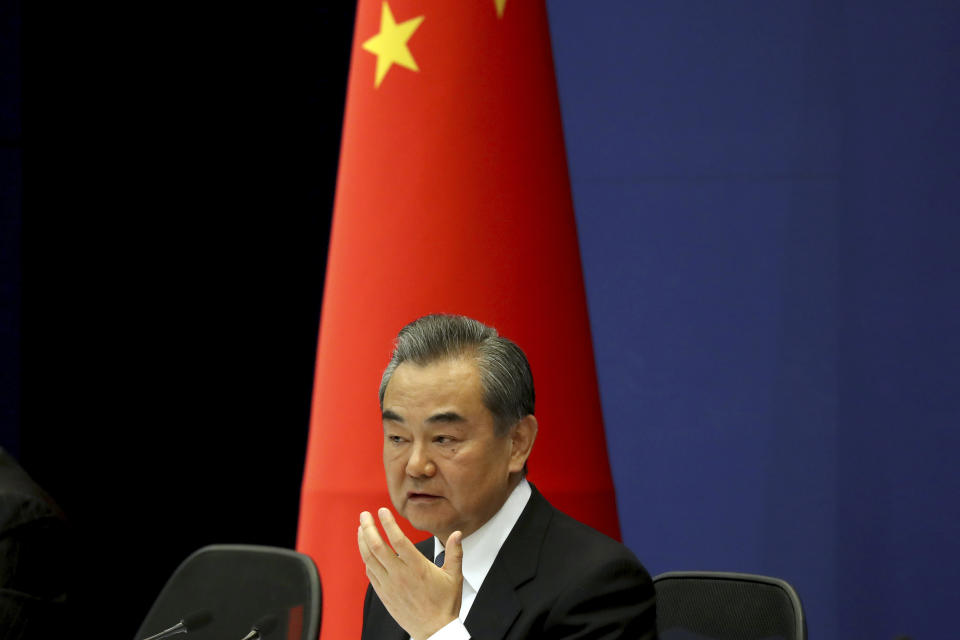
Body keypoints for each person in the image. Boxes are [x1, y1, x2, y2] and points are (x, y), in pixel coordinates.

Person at [357, 314, 656, 640]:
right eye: (398, 437)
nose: (416, 466)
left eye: (444, 438)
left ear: (517, 443)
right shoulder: (401, 579)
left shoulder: (598, 584)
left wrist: (438, 631)